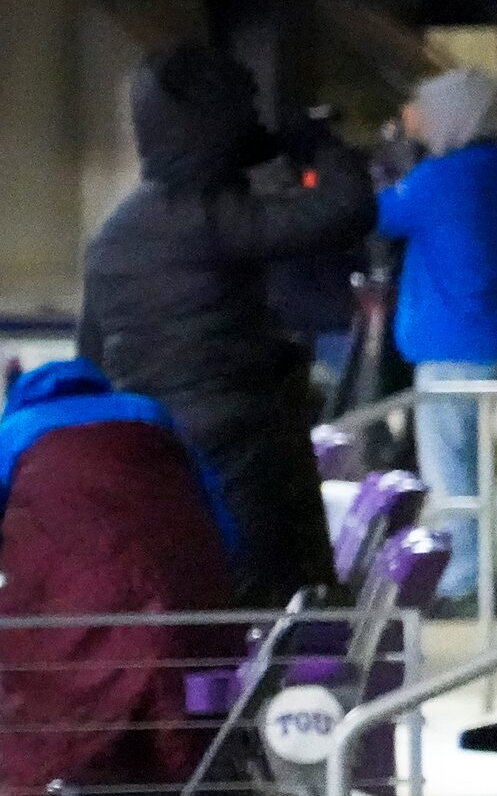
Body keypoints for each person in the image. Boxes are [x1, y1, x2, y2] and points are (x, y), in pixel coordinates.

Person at [79, 44, 374, 604]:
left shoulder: (117, 231)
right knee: (273, 602)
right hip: (245, 442)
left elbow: (89, 357)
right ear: (221, 124)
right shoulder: (211, 214)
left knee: (204, 593)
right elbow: (346, 209)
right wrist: (314, 146)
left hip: (158, 445)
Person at [0, 360, 246, 796]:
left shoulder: (18, 430)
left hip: (81, 630)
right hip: (189, 625)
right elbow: (221, 524)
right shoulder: (151, 417)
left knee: (45, 758)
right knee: (170, 762)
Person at [375, 67, 497, 620]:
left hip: (448, 347)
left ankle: (468, 583)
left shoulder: (442, 178)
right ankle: (483, 574)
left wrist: (392, 162)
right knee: (475, 470)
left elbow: (381, 215)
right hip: (490, 338)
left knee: (453, 475)